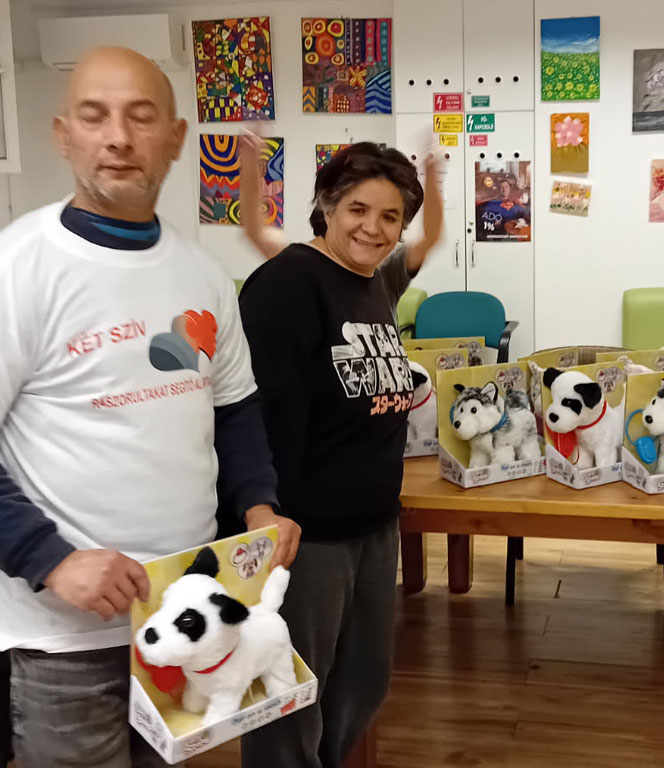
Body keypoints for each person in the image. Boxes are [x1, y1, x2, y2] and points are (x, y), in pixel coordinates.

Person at [0, 47, 300, 767]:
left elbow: (234, 408)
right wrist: (50, 560)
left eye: (141, 118)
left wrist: (259, 506)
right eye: (95, 117)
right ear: (63, 135)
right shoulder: (5, 276)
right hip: (65, 632)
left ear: (175, 139)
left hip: (184, 608)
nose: (118, 137)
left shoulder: (202, 273)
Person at [235, 139, 442, 767]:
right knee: (288, 701)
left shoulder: (374, 283)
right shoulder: (288, 283)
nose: (373, 228)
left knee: (361, 684)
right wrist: (265, 515)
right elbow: (259, 414)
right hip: (306, 533)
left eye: (389, 217)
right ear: (327, 206)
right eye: (358, 209)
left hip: (374, 523)